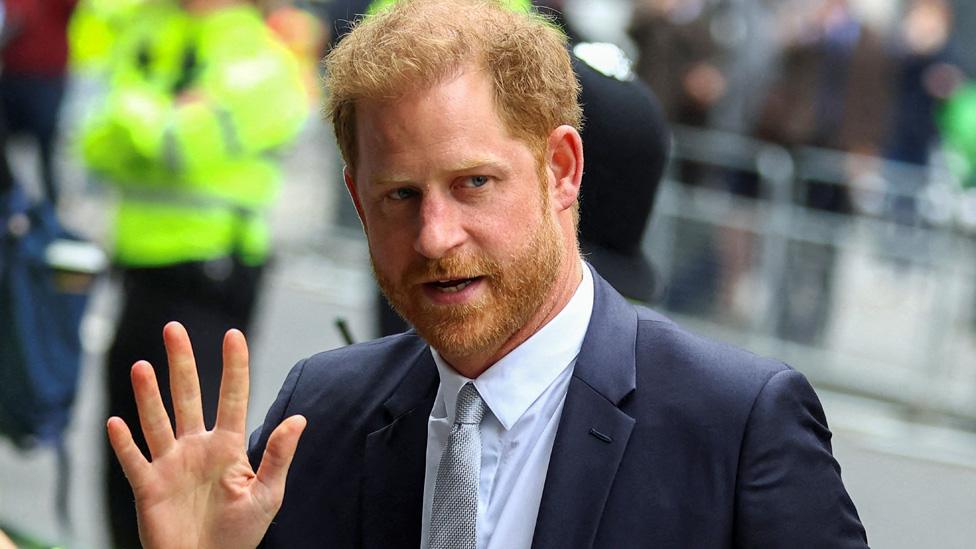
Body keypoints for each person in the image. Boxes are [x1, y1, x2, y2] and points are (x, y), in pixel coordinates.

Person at [106, 1, 868, 547]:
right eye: (400, 195)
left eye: (474, 183)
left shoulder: (735, 424)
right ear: (358, 204)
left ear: (562, 169)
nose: (435, 236)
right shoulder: (321, 412)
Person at [78, 0, 308, 546]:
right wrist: (162, 112)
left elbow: (179, 143)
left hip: (209, 279)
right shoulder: (145, 25)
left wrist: (134, 106)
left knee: (188, 461)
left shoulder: (261, 54)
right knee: (128, 456)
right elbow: (90, 140)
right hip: (138, 272)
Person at [0, 0, 77, 205]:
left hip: (47, 78)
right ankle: (13, 203)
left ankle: (50, 205)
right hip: (12, 76)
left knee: (46, 146)